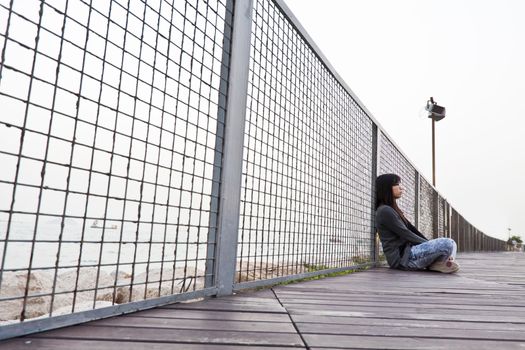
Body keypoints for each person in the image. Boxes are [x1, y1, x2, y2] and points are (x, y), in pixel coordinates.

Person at [375, 173, 459, 273]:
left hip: (409, 253)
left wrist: (430, 245)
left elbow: (412, 230)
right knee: (448, 243)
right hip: (403, 259)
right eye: (397, 184)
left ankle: (439, 265)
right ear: (387, 188)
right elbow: (406, 234)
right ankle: (442, 264)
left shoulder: (391, 209)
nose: (401, 188)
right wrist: (429, 245)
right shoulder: (385, 211)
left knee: (450, 243)